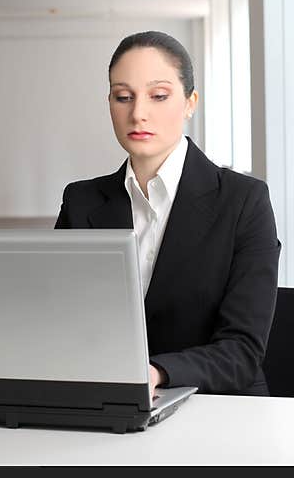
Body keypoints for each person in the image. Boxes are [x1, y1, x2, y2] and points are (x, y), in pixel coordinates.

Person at [55, 31, 280, 396]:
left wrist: (157, 372)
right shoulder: (80, 202)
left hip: (217, 410)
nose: (138, 113)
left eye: (159, 96)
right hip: (106, 405)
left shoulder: (244, 201)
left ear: (190, 102)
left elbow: (242, 352)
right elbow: (57, 318)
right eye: (123, 97)